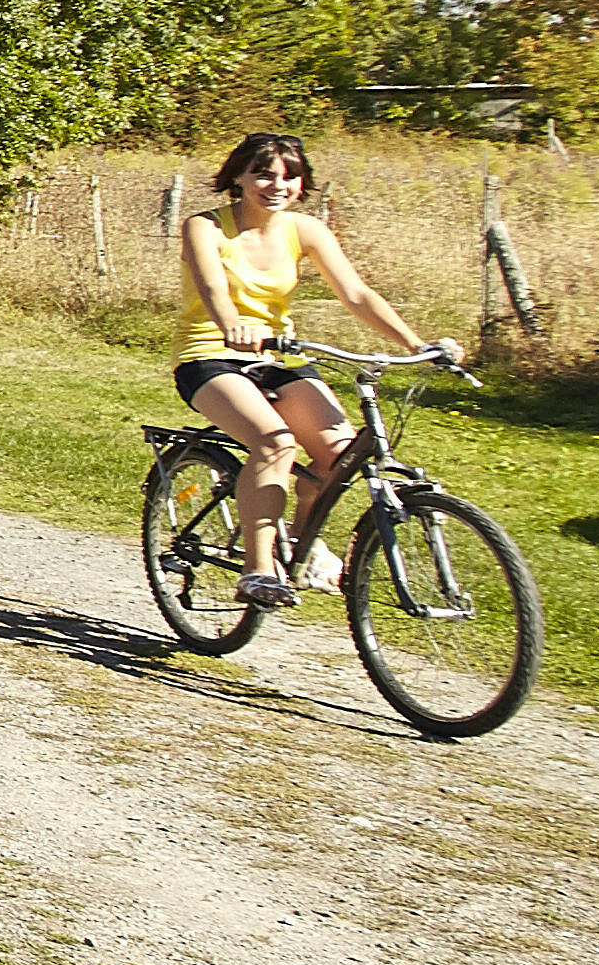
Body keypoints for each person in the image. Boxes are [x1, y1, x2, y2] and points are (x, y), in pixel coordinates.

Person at [173, 132, 455, 608]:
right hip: (211, 354)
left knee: (340, 458)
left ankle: (302, 547)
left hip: (282, 356)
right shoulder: (206, 227)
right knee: (274, 441)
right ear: (238, 176)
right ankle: (258, 570)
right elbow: (212, 288)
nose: (277, 184)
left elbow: (357, 294)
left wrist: (417, 343)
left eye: (289, 176)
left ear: (301, 184)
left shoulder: (304, 230)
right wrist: (232, 325)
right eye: (263, 173)